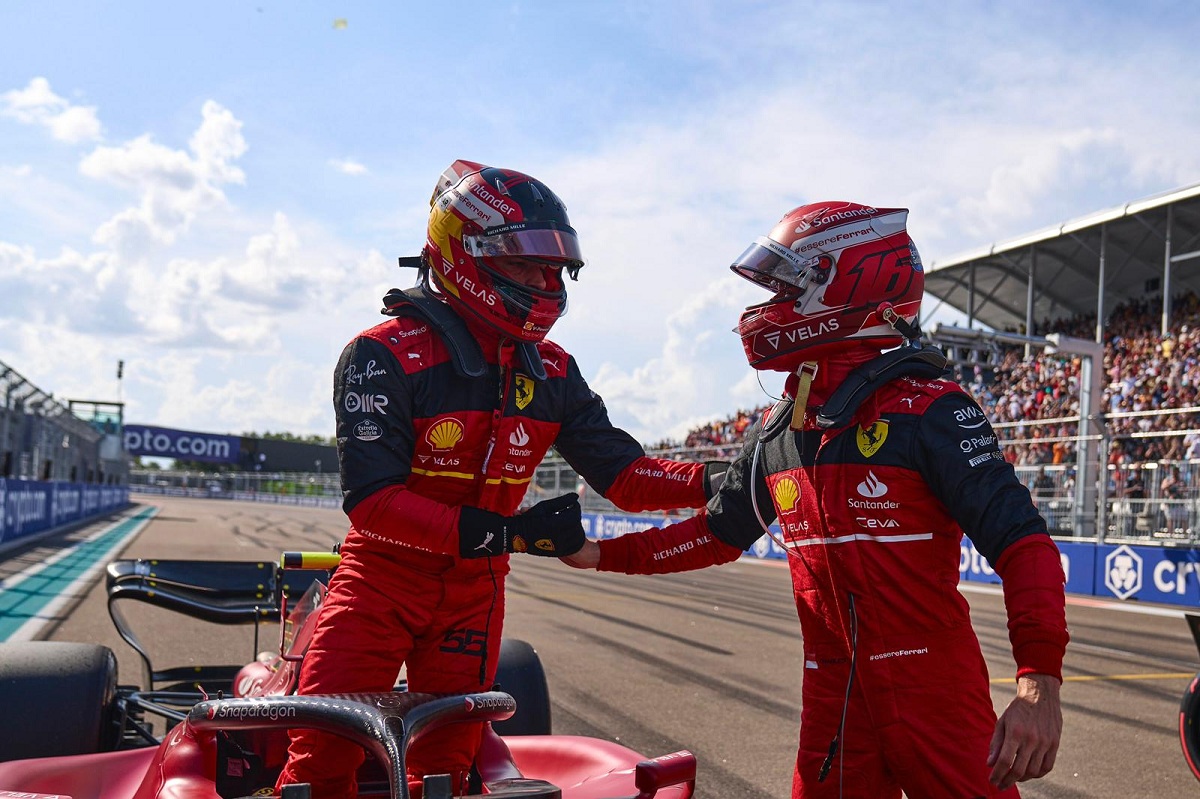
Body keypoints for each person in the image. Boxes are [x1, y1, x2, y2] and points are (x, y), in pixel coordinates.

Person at [565, 202, 1069, 798]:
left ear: (851, 285)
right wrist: (599, 554)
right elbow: (718, 533)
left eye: (786, 286)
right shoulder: (784, 424)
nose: (766, 304)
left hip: (934, 690)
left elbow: (1024, 543)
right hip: (833, 698)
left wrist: (1039, 685)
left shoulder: (930, 408)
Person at [276, 160, 727, 798]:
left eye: (554, 267)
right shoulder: (381, 353)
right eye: (524, 265)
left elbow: (627, 476)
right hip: (379, 582)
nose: (545, 282)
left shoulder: (555, 370)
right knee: (321, 759)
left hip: (474, 595)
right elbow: (374, 504)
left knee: (448, 770)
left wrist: (723, 479)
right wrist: (507, 534)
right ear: (464, 252)